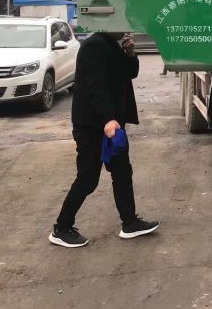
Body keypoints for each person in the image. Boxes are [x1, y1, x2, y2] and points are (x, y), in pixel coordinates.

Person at [49, 32, 159, 248]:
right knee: (88, 178)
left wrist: (130, 53)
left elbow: (131, 73)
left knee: (122, 172)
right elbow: (95, 86)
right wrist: (108, 119)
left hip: (112, 125)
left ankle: (130, 222)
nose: (126, 28)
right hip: (93, 126)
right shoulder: (93, 46)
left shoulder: (113, 45)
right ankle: (61, 228)